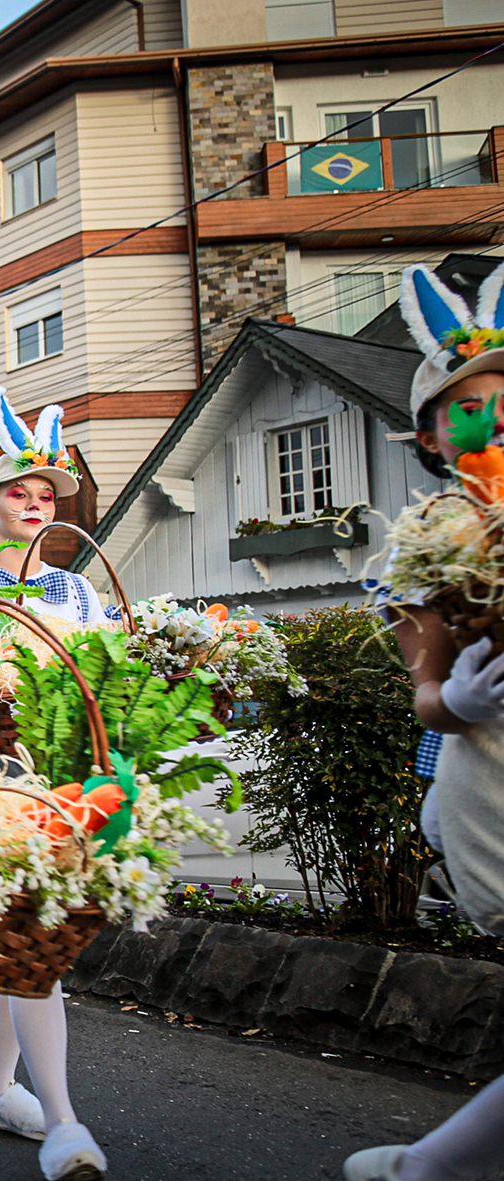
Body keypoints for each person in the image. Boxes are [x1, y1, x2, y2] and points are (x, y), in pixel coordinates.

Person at [344, 264, 504, 1181]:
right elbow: (428, 693)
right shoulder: (431, 539)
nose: (496, 420)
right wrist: (466, 700)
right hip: (492, 778)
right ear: (435, 435)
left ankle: (428, 1167)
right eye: (471, 408)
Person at [0, 387, 115, 1181]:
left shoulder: (79, 591)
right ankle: (62, 1120)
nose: (34, 503)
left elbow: (109, 674)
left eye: (46, 494)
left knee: (17, 941)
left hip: (65, 779)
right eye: (18, 492)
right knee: (27, 944)